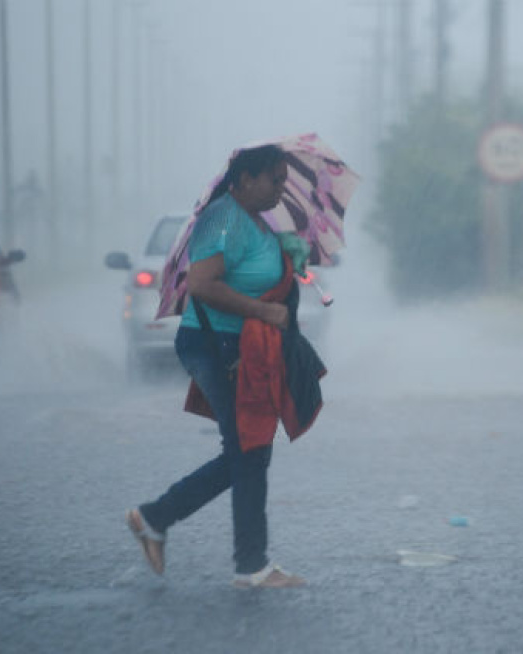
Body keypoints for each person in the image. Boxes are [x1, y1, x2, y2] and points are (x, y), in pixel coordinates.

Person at [126, 144, 307, 589]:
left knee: (248, 450)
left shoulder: (253, 221)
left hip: (239, 345)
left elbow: (253, 275)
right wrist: (264, 313)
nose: (282, 190)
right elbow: (204, 285)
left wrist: (287, 253)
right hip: (217, 346)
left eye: (285, 181)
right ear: (245, 178)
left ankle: (157, 518)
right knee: (248, 449)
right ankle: (249, 565)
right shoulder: (223, 218)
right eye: (275, 180)